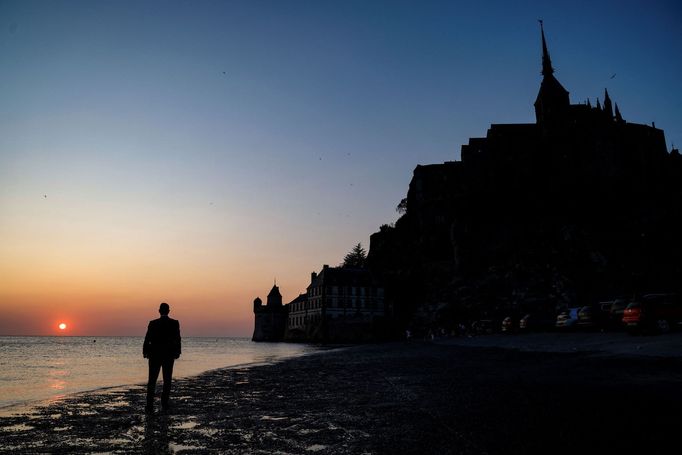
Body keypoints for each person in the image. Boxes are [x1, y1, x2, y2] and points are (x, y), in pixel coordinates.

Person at [143, 302, 181, 414]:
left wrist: (145, 351)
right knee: (167, 380)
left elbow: (147, 338)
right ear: (168, 311)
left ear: (159, 311)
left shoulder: (153, 323)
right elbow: (178, 339)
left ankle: (149, 405)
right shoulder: (174, 323)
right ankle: (164, 403)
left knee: (152, 381)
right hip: (168, 355)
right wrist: (177, 352)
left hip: (154, 355)